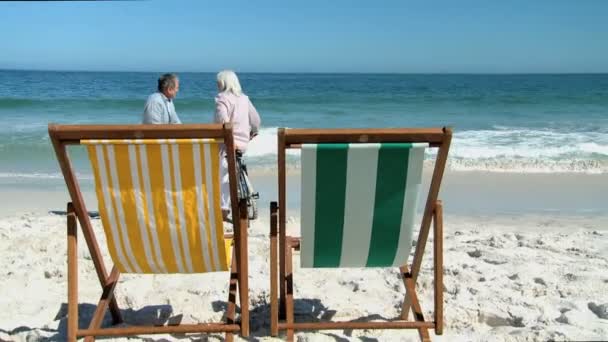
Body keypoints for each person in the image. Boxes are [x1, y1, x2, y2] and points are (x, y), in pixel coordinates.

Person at [214, 70, 261, 221]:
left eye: (218, 82)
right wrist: (253, 132)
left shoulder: (222, 99)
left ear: (223, 83)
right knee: (233, 171)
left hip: (228, 144)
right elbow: (256, 120)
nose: (217, 85)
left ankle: (223, 211)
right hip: (242, 144)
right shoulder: (244, 99)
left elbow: (223, 123)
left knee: (222, 176)